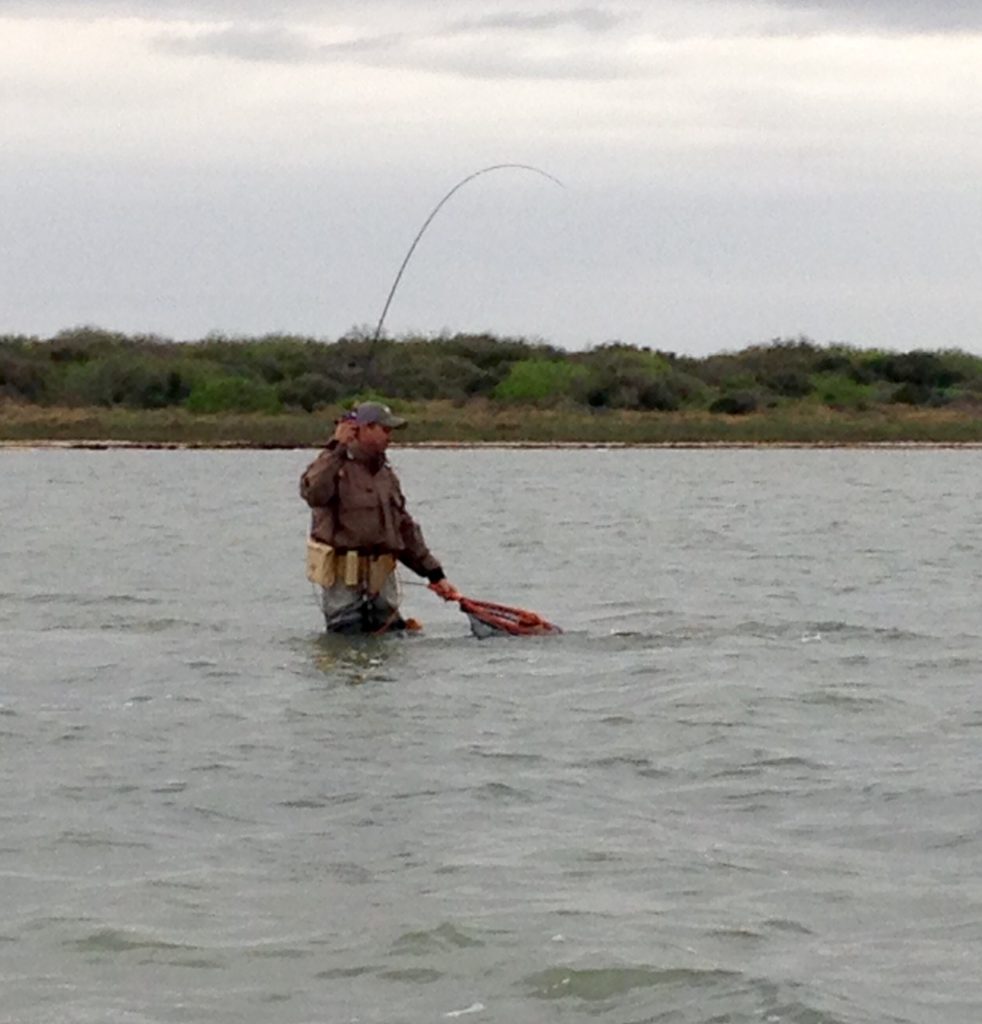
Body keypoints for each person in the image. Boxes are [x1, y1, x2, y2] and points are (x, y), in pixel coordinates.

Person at [299, 401, 456, 633]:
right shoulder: (332, 467)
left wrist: (435, 575)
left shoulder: (387, 476)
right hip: (343, 592)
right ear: (363, 429)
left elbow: (404, 528)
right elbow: (313, 493)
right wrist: (336, 446)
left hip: (384, 592)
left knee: (390, 642)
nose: (390, 436)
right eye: (385, 429)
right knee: (346, 644)